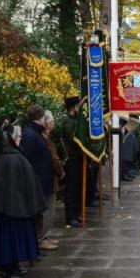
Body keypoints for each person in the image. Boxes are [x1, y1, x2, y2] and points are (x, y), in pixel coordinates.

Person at [0, 120, 46, 278]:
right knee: (12, 242)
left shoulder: (5, 156)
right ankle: (10, 272)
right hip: (14, 211)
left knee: (9, 243)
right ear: (10, 139)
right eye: (18, 137)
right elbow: (15, 188)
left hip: (8, 210)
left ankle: (11, 269)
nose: (20, 140)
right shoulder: (11, 158)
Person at [19, 105, 57, 251]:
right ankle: (41, 239)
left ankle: (44, 237)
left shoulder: (34, 132)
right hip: (39, 180)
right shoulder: (31, 135)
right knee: (44, 211)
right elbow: (27, 159)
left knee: (46, 210)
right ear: (41, 118)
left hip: (42, 178)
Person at [60, 97, 83, 228]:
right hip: (72, 159)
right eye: (78, 106)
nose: (79, 108)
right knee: (71, 190)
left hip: (77, 158)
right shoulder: (68, 122)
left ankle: (75, 214)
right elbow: (75, 139)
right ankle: (71, 217)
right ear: (73, 107)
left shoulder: (74, 120)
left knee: (77, 188)